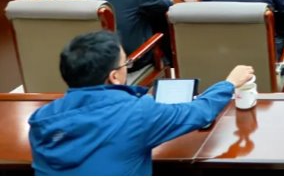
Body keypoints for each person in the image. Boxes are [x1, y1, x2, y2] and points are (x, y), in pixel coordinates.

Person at [28, 30, 254, 175]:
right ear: (114, 76)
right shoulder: (136, 113)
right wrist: (229, 83)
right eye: (125, 64)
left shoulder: (40, 120)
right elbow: (200, 111)